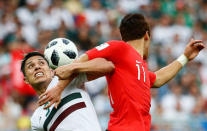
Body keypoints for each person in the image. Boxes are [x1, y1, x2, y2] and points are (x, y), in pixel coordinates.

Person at [39, 13, 205, 131]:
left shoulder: (137, 66)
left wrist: (185, 57)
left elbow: (159, 78)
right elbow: (82, 60)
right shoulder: (120, 48)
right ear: (147, 36)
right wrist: (59, 88)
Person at [21, 51, 115, 131]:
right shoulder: (36, 118)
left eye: (41, 63)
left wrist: (74, 68)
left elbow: (107, 65)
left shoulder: (67, 78)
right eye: (31, 66)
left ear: (50, 70)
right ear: (26, 80)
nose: (37, 67)